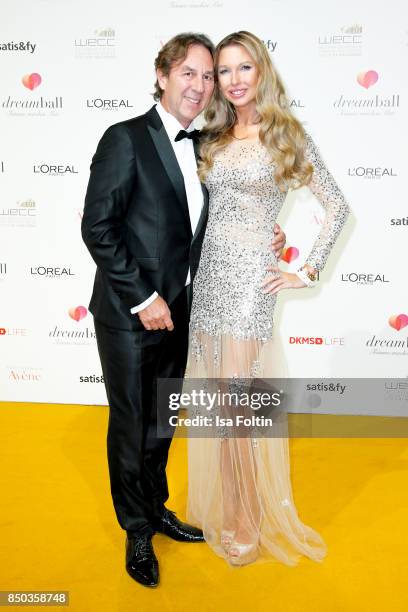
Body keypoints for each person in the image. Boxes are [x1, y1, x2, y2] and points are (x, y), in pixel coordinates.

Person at [81, 32, 286, 587]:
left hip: (182, 314)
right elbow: (97, 229)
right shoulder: (124, 138)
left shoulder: (205, 146)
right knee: (131, 423)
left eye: (207, 75)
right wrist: (144, 298)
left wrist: (269, 230)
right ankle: (136, 533)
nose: (199, 86)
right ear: (163, 75)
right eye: (189, 73)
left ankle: (158, 509)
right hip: (130, 314)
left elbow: (223, 216)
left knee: (162, 423)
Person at [185, 31, 350, 567]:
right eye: (224, 71)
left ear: (262, 73)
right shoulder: (211, 137)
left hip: (250, 283)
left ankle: (246, 517)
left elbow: (336, 206)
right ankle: (233, 506)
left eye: (243, 69)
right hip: (208, 276)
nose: (233, 81)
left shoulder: (285, 135)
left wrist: (306, 268)